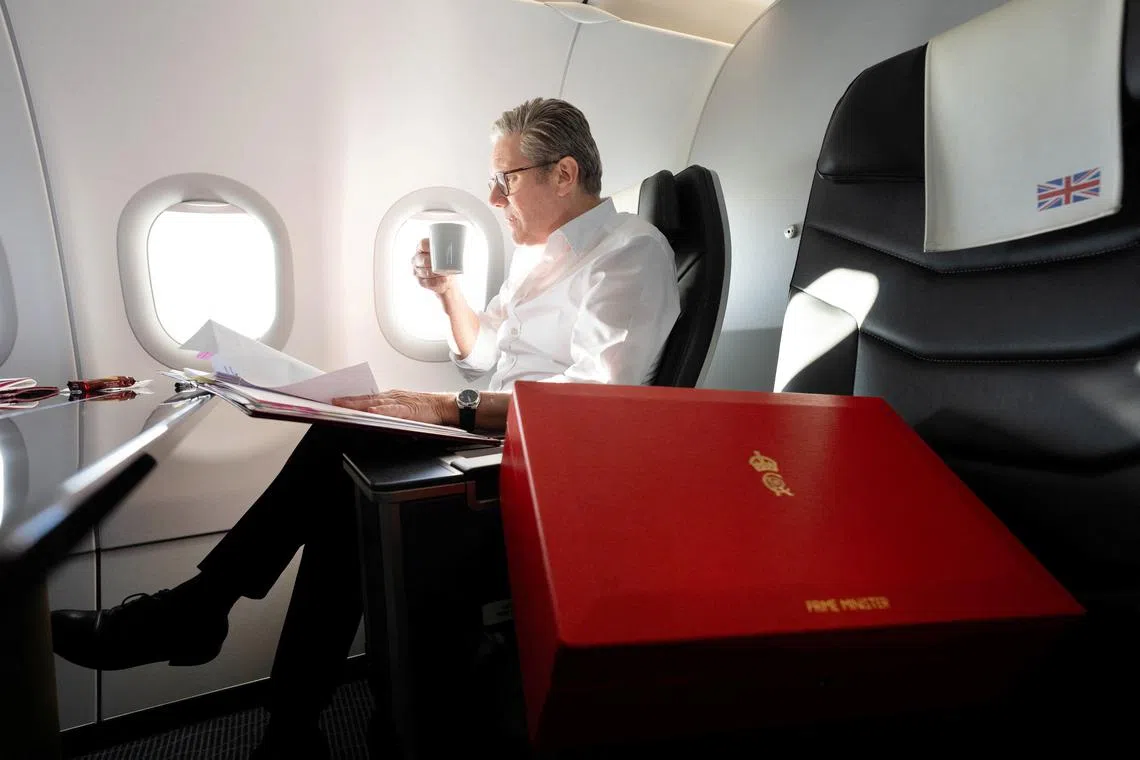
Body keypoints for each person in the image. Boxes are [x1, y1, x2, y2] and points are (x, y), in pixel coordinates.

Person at [50, 97, 681, 758]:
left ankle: (205, 619)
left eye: (507, 179)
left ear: (564, 173)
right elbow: (485, 355)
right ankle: (283, 720)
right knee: (344, 483)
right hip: (495, 440)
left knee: (344, 440)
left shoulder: (630, 251)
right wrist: (447, 294)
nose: (495, 198)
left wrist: (444, 407)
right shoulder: (535, 257)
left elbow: (596, 398)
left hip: (547, 465)